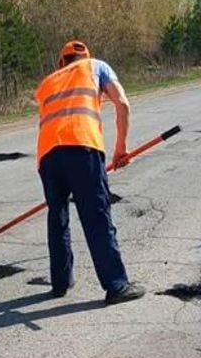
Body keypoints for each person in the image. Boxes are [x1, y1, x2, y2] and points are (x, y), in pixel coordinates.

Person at [33, 40, 145, 304]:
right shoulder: (96, 66)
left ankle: (60, 283)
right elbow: (122, 103)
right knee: (96, 216)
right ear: (85, 57)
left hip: (48, 156)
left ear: (61, 63)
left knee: (57, 217)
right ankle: (116, 285)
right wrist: (121, 148)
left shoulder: (48, 81)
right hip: (82, 148)